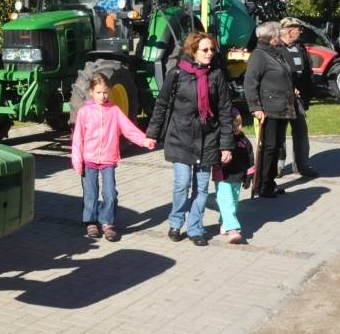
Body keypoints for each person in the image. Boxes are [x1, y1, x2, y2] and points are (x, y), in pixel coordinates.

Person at [145, 32, 234, 246]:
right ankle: (176, 222)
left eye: (212, 49)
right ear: (193, 51)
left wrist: (226, 145)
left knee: (202, 188)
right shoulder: (177, 73)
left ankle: (195, 228)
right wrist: (152, 134)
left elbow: (224, 110)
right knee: (182, 184)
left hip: (208, 138)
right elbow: (162, 104)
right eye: (205, 50)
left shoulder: (217, 75)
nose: (210, 53)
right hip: (180, 136)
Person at [71, 73, 156, 241]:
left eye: (105, 93)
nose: (103, 96)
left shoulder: (114, 110)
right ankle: (91, 222)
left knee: (110, 193)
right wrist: (77, 161)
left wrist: (144, 141)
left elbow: (128, 129)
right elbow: (77, 139)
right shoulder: (84, 112)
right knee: (90, 193)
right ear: (91, 92)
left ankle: (107, 222)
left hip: (108, 159)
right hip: (89, 159)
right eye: (98, 93)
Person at [244, 21, 294, 198]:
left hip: (282, 107)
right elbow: (250, 83)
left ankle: (270, 183)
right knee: (269, 147)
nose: (281, 35)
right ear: (272, 36)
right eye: (279, 33)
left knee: (276, 145)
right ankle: (263, 186)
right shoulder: (259, 55)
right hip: (269, 109)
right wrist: (255, 107)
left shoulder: (276, 53)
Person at [277, 17, 319, 178]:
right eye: (298, 29)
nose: (300, 32)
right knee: (279, 133)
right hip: (281, 98)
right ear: (288, 30)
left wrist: (307, 92)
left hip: (299, 98)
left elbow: (307, 72)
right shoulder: (275, 48)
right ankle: (278, 167)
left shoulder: (301, 47)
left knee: (301, 131)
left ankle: (302, 166)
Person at [213, 108, 254, 245]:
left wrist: (249, 175)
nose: (238, 127)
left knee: (234, 203)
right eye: (234, 125)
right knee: (227, 201)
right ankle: (233, 229)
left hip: (237, 177)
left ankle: (224, 222)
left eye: (239, 124)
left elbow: (250, 158)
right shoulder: (221, 139)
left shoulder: (244, 141)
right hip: (223, 176)